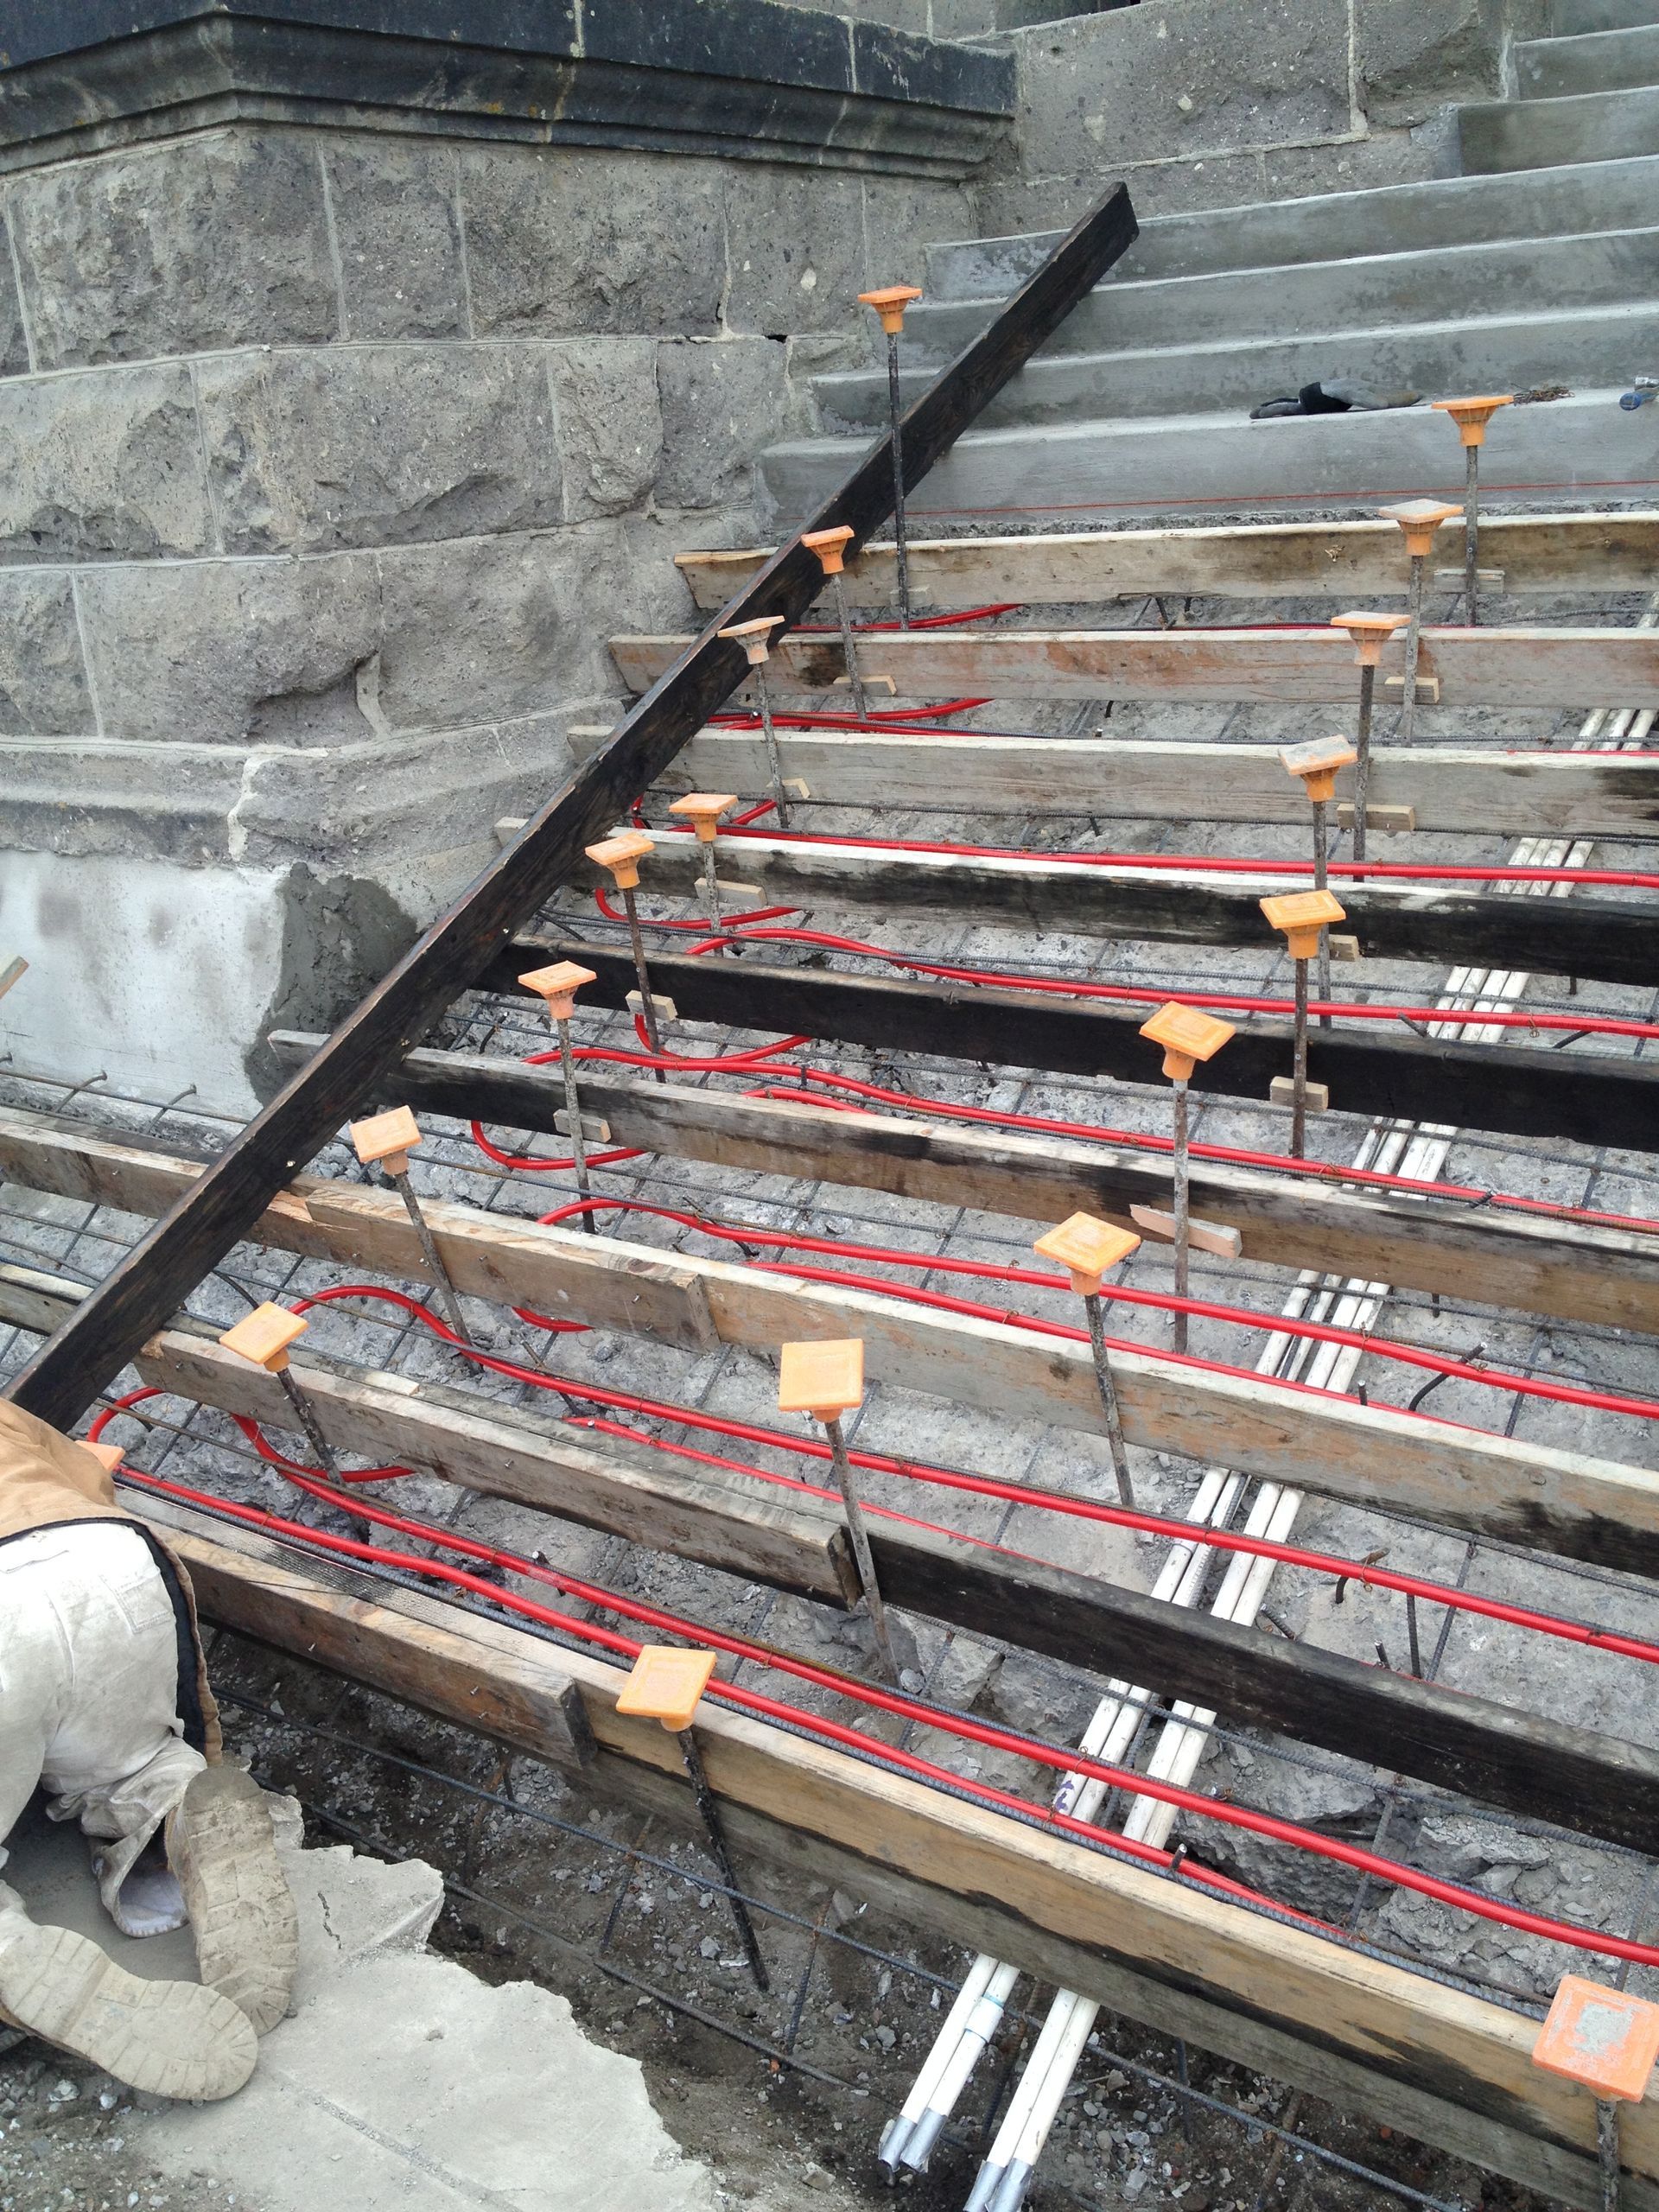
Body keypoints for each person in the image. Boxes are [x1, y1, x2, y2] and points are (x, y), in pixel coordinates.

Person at [0, 1398, 296, 2100]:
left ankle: (12, 1956)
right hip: (99, 1556)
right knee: (133, 1762)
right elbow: (84, 1477)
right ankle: (175, 1813)